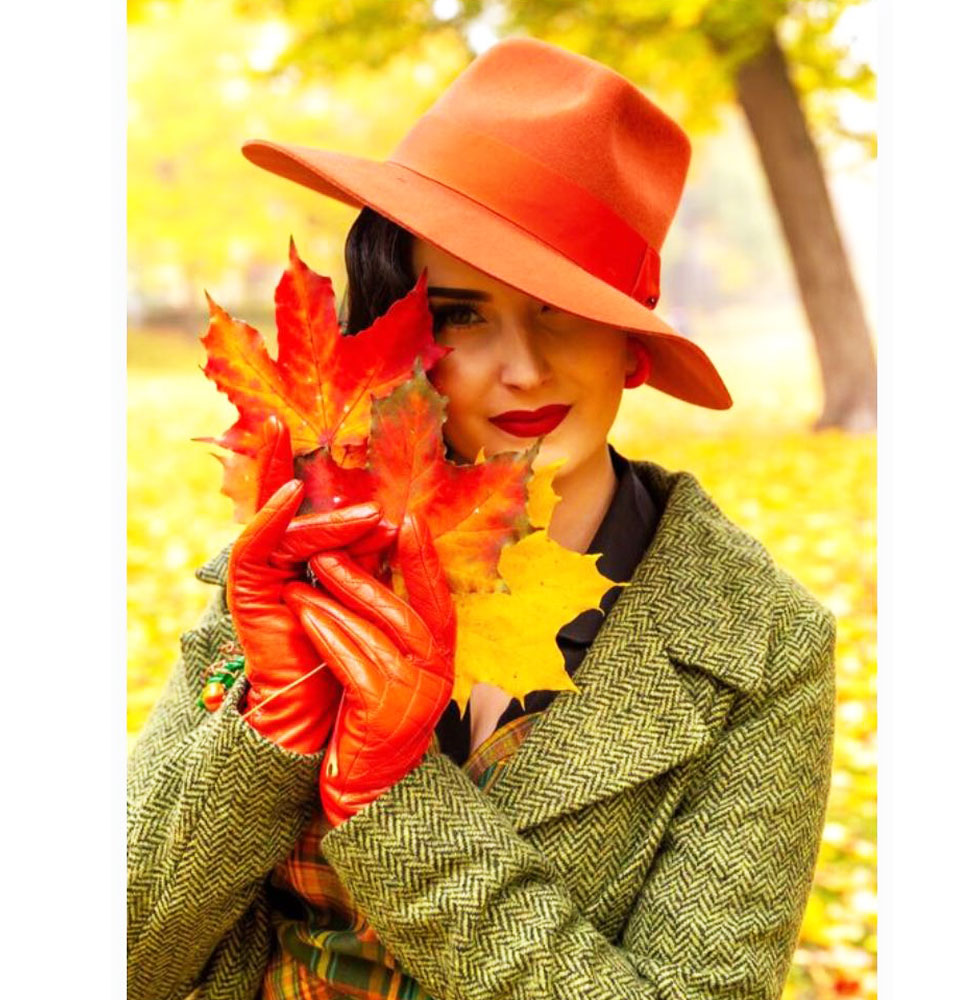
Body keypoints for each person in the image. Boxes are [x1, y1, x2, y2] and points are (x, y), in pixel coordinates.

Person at [127, 36, 837, 1000]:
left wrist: (392, 799)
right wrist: (268, 733)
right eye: (462, 314)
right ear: (399, 340)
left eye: (561, 310)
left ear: (631, 344)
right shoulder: (301, 553)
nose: (525, 369)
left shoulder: (760, 646)